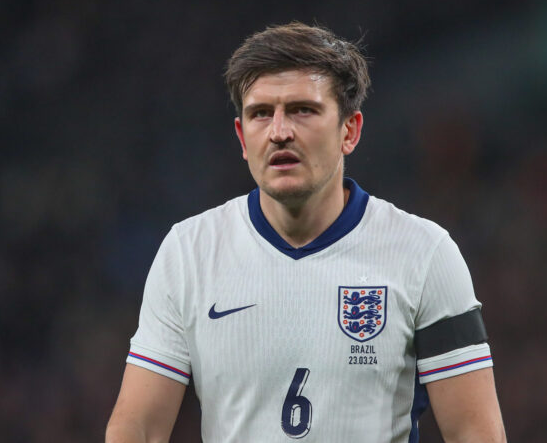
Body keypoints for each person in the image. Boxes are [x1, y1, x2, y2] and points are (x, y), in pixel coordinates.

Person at [106, 22, 506, 443]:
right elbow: (138, 428)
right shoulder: (188, 253)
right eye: (261, 113)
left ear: (349, 131)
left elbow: (475, 433)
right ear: (242, 137)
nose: (279, 132)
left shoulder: (425, 254)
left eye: (303, 110)